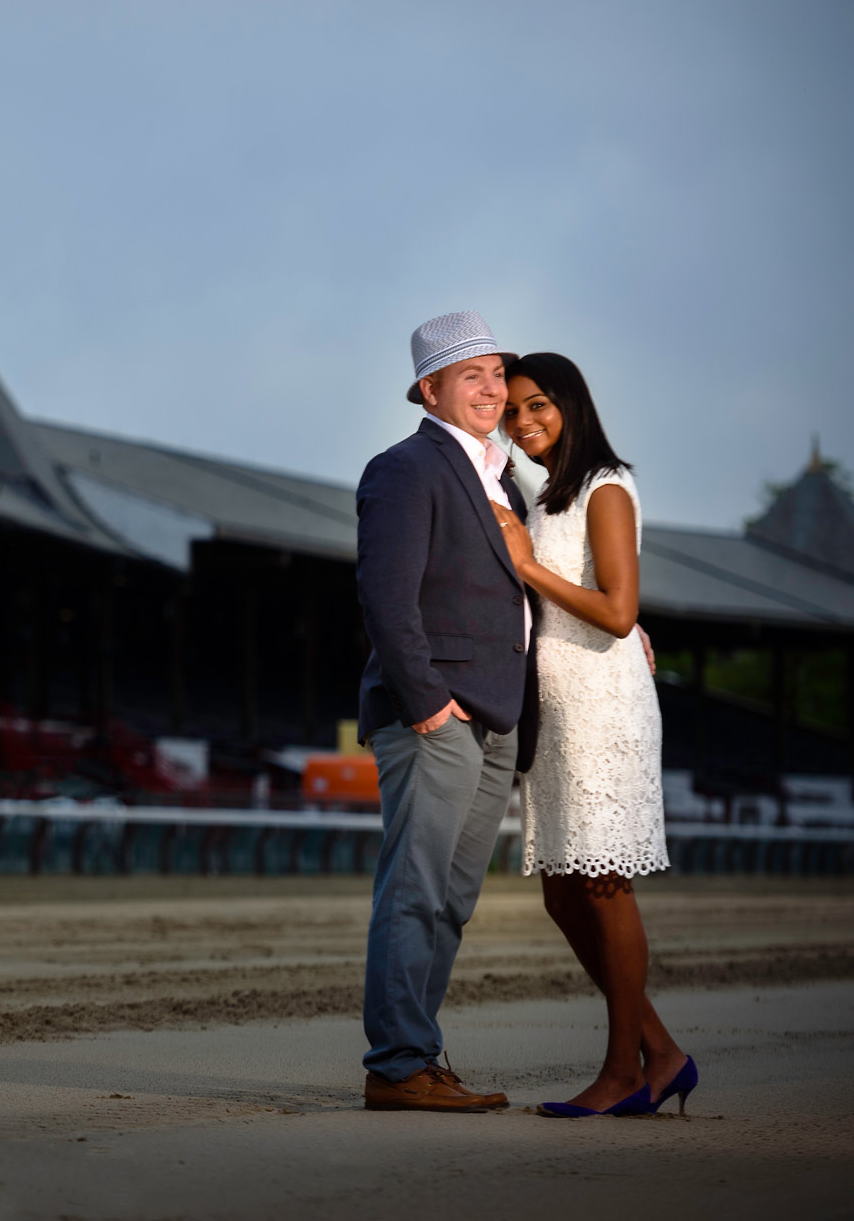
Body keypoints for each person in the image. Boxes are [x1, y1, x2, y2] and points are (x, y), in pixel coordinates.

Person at [495, 352, 696, 1118]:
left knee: (605, 885)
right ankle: (665, 1053)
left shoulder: (606, 485)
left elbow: (616, 610)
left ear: (572, 402)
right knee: (560, 891)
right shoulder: (543, 494)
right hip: (556, 708)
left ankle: (624, 1073)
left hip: (603, 706)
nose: (524, 421)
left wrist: (526, 565)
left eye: (538, 404)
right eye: (513, 410)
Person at [353, 310, 536, 1112]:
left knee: (453, 899)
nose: (493, 389)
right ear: (430, 388)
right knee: (417, 887)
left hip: (498, 715)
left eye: (498, 373)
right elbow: (386, 596)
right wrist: (431, 706)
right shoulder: (406, 467)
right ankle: (396, 1063)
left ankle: (418, 1056)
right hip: (439, 715)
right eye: (473, 375)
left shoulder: (505, 479)